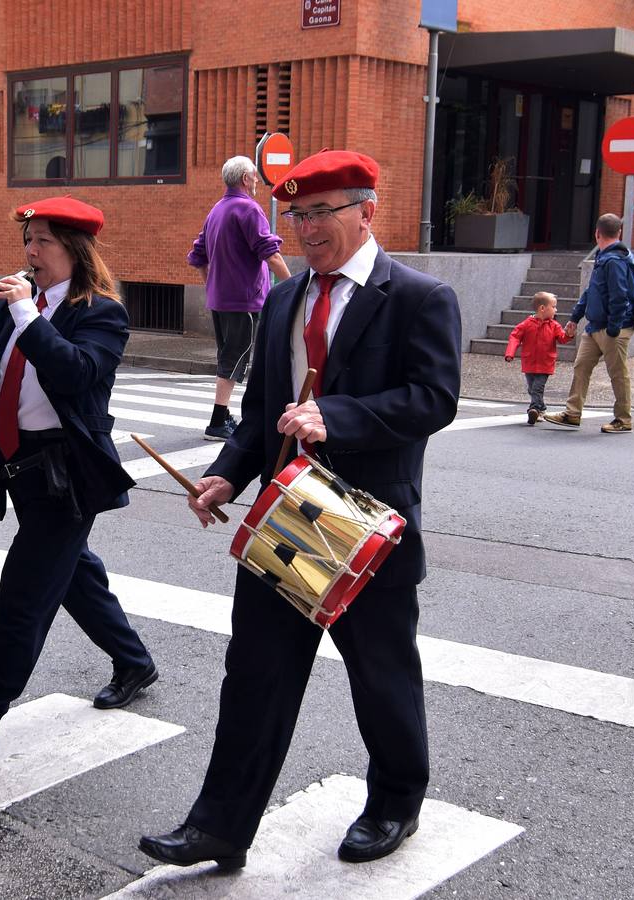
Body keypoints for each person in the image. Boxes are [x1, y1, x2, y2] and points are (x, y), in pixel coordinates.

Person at [139, 150, 461, 869]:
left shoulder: (417, 296)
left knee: (380, 676)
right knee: (254, 674)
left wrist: (334, 417)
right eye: (297, 214)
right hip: (286, 519)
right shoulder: (282, 296)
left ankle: (395, 801)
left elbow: (433, 400)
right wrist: (225, 475)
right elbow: (259, 411)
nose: (306, 228)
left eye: (321, 212)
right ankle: (219, 826)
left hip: (365, 524)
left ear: (365, 212)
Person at [0, 198, 155, 772]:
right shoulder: (15, 305)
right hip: (16, 465)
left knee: (23, 597)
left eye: (43, 242)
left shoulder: (101, 312)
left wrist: (27, 314)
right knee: (73, 574)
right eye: (28, 241)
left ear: (76, 251)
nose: (31, 253)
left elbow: (77, 373)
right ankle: (134, 662)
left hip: (66, 476)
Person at [188, 156, 292, 441]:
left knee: (230, 357)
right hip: (244, 300)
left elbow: (198, 256)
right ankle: (217, 422)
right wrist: (294, 286)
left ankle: (223, 418)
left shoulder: (216, 211)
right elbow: (270, 252)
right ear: (246, 178)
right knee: (235, 360)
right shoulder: (248, 209)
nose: (258, 180)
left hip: (220, 300)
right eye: (255, 176)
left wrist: (211, 285)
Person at [542, 214, 634, 434]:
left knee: (618, 373)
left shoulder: (614, 260)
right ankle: (572, 413)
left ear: (597, 233)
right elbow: (592, 291)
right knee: (582, 366)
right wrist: (576, 317)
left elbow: (619, 296)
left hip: (613, 328)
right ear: (619, 233)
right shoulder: (605, 257)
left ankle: (623, 419)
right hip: (596, 326)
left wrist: (613, 328)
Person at [504, 291, 570, 424]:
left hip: (545, 363)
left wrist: (569, 334)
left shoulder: (554, 325)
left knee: (537, 388)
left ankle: (533, 409)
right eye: (554, 307)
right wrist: (510, 353)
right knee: (532, 388)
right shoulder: (527, 324)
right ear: (542, 308)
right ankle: (542, 408)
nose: (556, 310)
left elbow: (562, 338)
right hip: (529, 363)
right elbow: (515, 337)